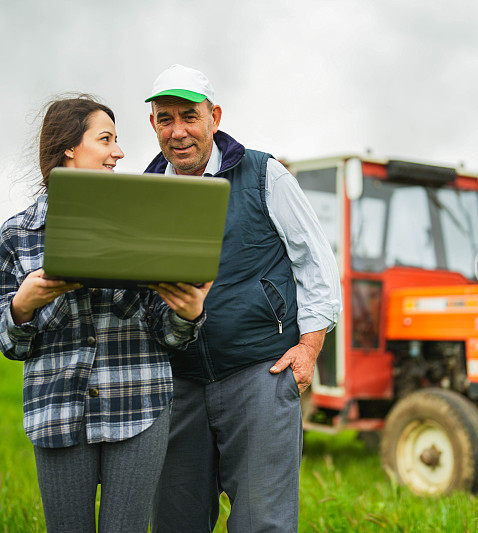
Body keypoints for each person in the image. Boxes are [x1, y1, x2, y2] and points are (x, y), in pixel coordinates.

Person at [0, 95, 211, 532]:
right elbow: (6, 340)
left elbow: (167, 334)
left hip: (140, 405)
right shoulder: (16, 236)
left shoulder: (146, 226)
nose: (120, 152)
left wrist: (186, 315)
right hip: (56, 411)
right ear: (70, 147)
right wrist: (23, 305)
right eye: (106, 139)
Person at [145, 65, 342, 532]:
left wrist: (309, 348)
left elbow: (317, 262)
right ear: (152, 125)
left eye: (189, 117)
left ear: (214, 116)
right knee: (175, 523)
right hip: (177, 382)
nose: (179, 131)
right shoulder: (145, 192)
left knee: (262, 523)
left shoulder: (263, 174)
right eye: (165, 118)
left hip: (259, 373)